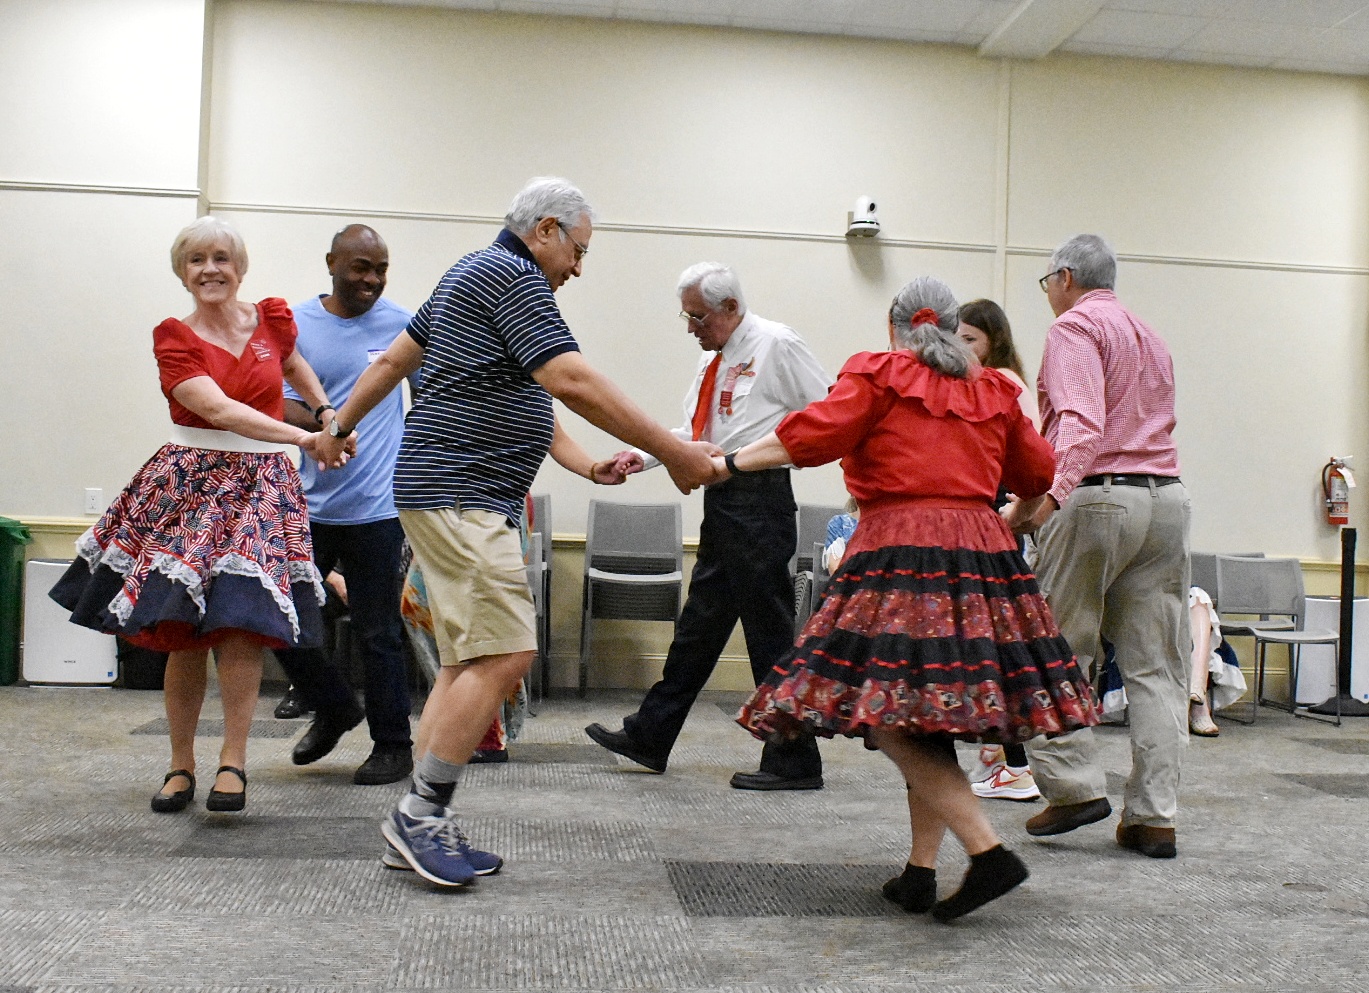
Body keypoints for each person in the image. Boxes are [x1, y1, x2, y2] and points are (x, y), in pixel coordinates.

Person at [314, 177, 717, 888]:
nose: (578, 268)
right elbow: (570, 380)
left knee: (466, 663)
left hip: (453, 491)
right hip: (460, 492)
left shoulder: (469, 274)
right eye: (579, 250)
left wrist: (340, 426)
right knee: (505, 654)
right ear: (547, 229)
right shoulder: (512, 275)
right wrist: (676, 451)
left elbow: (404, 363)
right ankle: (419, 816)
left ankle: (420, 816)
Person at [725, 276, 1098, 921]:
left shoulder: (880, 374)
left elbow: (809, 436)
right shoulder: (992, 390)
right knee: (928, 717)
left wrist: (728, 463)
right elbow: (1039, 472)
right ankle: (920, 872)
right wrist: (1010, 517)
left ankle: (987, 853)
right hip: (979, 557)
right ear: (953, 330)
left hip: (900, 551)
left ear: (892, 327)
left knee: (888, 717)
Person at [49, 216, 344, 814]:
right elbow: (221, 410)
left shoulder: (271, 319)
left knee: (241, 627)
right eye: (196, 260)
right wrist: (307, 437)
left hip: (263, 488)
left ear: (241, 267)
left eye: (221, 258)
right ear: (182, 273)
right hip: (193, 486)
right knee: (182, 631)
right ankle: (180, 764)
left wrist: (326, 411)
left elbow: (291, 365)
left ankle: (233, 762)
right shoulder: (174, 337)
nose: (210, 269)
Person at [584, 262, 833, 791]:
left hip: (760, 499)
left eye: (698, 317)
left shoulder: (776, 344)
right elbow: (693, 433)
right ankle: (650, 734)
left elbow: (826, 418)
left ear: (731, 307)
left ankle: (795, 757)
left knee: (767, 631)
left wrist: (765, 455)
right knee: (699, 627)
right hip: (722, 502)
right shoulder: (711, 358)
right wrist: (641, 457)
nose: (691, 328)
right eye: (687, 316)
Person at [1003, 234, 1190, 860]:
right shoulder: (1150, 334)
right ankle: (1154, 817)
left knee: (1055, 647)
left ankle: (1072, 787)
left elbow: (1082, 425)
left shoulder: (1073, 329)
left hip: (1097, 497)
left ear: (1064, 277)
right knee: (1157, 666)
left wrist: (1047, 499)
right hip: (1166, 501)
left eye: (1046, 284)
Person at [273, 224, 417, 786]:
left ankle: (393, 747)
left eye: (381, 269)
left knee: (379, 634)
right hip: (307, 505)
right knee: (282, 618)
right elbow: (280, 404)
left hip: (377, 509)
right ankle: (333, 707)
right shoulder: (298, 324)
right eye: (360, 267)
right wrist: (327, 425)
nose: (372, 280)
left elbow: (428, 396)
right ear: (331, 262)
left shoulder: (403, 324)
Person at [956, 298, 1041, 802]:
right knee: (992, 646)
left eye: (970, 339)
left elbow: (1028, 455)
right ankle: (1002, 756)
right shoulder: (1002, 380)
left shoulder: (1000, 382)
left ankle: (1017, 765)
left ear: (994, 341)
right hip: (997, 519)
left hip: (996, 521)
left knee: (999, 649)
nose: (960, 347)